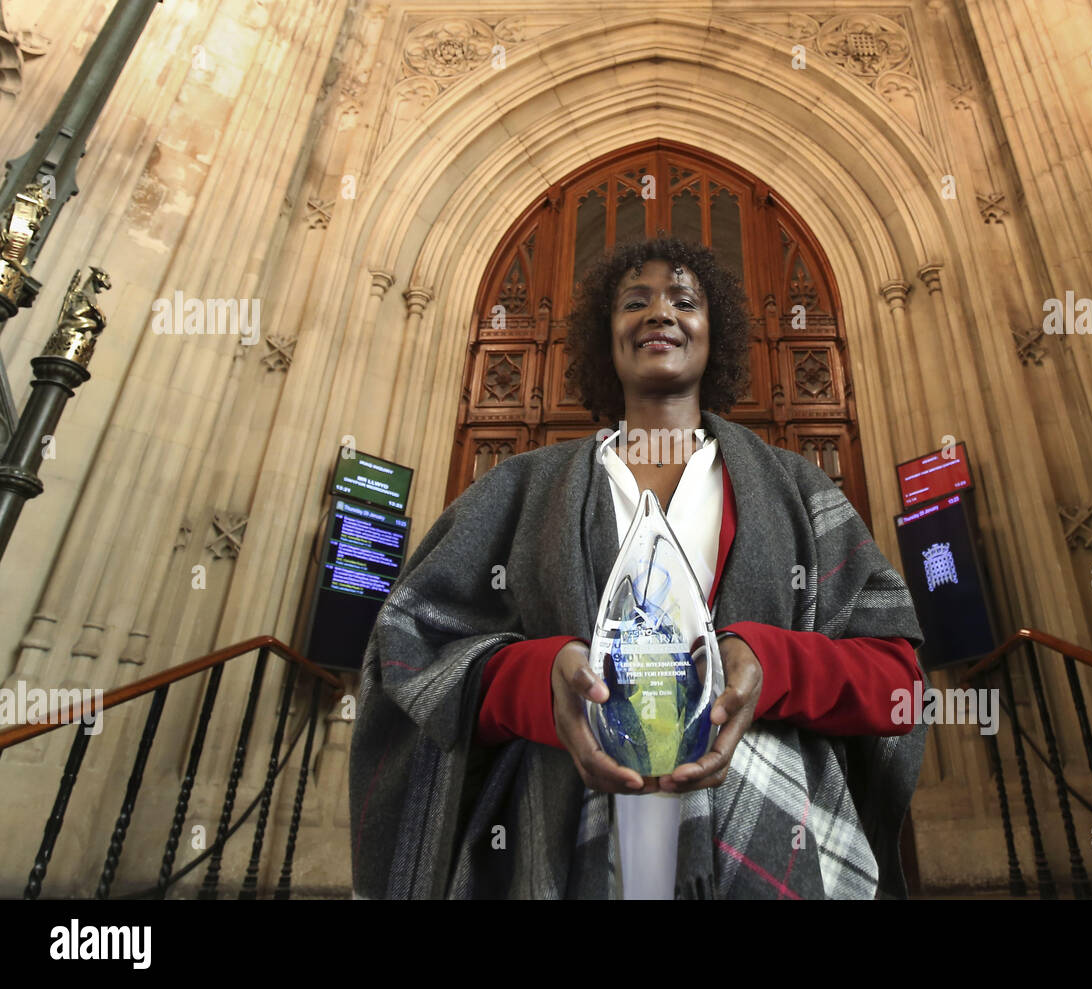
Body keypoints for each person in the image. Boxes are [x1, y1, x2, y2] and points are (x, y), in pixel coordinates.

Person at [349, 236, 928, 899]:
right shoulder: (521, 489)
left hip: (773, 849)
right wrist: (538, 680)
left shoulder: (798, 491)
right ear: (606, 334)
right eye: (635, 301)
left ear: (716, 333)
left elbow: (899, 681)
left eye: (685, 299)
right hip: (557, 849)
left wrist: (772, 664)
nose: (660, 313)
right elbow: (409, 649)